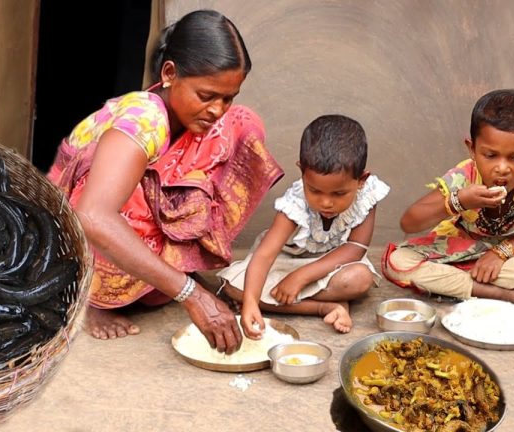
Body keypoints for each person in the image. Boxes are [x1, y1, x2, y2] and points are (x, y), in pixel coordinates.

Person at [47, 10, 283, 353]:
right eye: (207, 96)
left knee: (241, 126)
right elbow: (92, 217)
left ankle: (171, 269)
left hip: (114, 213)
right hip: (68, 237)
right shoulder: (145, 119)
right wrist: (191, 295)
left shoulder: (198, 117)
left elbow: (226, 124)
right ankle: (90, 297)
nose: (217, 109)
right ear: (170, 74)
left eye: (227, 97)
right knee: (126, 202)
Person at [217, 115, 390, 336]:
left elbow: (355, 248)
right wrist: (251, 303)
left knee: (359, 279)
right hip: (286, 261)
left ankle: (287, 300)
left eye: (339, 193)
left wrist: (301, 278)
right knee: (235, 287)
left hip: (334, 265)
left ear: (361, 180)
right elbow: (264, 256)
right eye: (315, 190)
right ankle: (326, 306)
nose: (325, 202)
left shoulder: (367, 194)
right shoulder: (295, 204)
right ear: (302, 172)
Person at [382, 89, 514, 314]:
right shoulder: (464, 176)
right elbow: (409, 223)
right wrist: (459, 201)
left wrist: (501, 253)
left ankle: (463, 282)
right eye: (490, 156)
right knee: (399, 263)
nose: (502, 167)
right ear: (472, 149)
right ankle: (504, 293)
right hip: (465, 248)